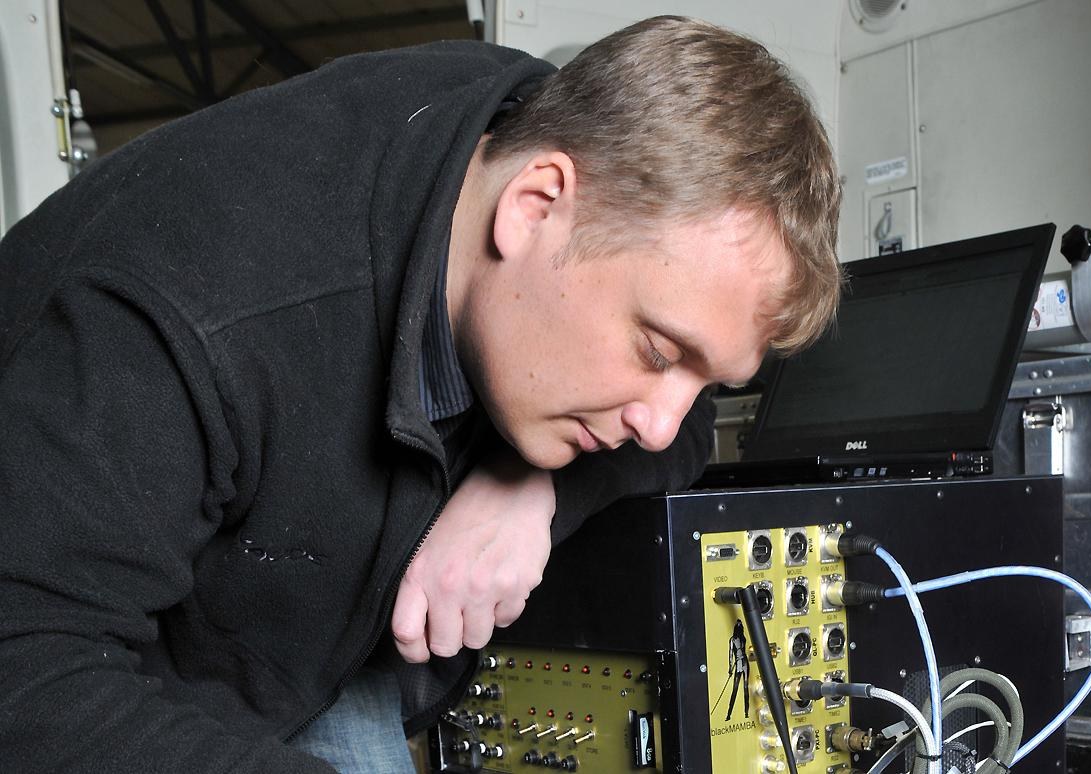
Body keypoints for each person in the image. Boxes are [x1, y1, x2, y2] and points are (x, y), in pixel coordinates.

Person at [0, 15, 840, 772]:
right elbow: (27, 677)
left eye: (705, 376)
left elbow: (684, 428)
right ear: (534, 205)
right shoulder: (190, 314)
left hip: (298, 638)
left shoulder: (547, 139)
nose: (661, 426)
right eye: (656, 351)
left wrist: (529, 486)